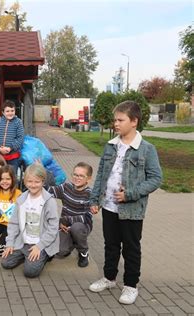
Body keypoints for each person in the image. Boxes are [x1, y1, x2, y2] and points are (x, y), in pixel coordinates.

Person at [88, 101, 162, 305]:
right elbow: (102, 174)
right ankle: (109, 278)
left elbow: (156, 178)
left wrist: (130, 194)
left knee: (131, 248)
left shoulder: (146, 149)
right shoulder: (111, 146)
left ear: (134, 121)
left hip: (132, 210)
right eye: (115, 120)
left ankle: (130, 286)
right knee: (111, 245)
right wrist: (95, 199)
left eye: (120, 120)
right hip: (109, 207)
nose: (116, 124)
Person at [1, 163, 59, 277]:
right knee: (5, 263)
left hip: (40, 243)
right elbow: (14, 223)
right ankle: (26, 255)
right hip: (23, 242)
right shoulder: (21, 199)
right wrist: (10, 243)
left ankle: (45, 255)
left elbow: (53, 227)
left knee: (30, 272)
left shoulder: (49, 201)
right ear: (25, 181)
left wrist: (39, 246)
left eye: (37, 182)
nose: (33, 185)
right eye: (30, 181)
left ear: (43, 181)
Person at [46, 162, 93, 267]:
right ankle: (72, 243)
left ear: (88, 179)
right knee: (60, 251)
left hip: (81, 227)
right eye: (75, 174)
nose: (77, 178)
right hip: (65, 226)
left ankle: (83, 252)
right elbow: (48, 191)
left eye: (81, 176)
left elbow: (86, 218)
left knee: (76, 228)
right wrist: (41, 174)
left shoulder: (90, 194)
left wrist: (65, 221)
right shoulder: (66, 187)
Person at [0, 100, 25, 173]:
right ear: (3, 112)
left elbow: (20, 138)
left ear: (15, 111)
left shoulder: (18, 122)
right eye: (7, 111)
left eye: (12, 110)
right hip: (0, 156)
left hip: (13, 157)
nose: (10, 113)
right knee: (0, 176)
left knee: (12, 175)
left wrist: (10, 147)